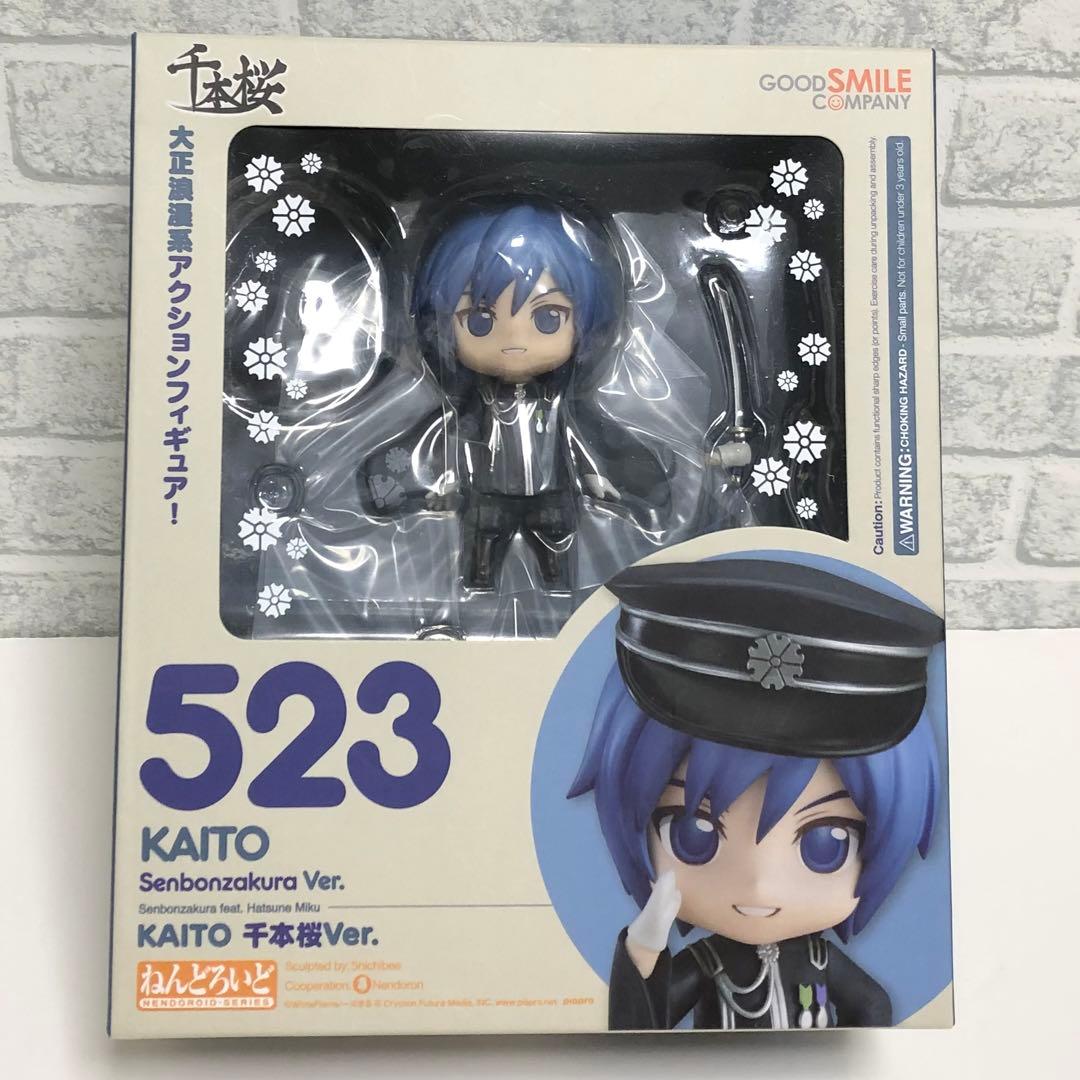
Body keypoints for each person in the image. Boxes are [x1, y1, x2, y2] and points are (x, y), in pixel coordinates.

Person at [569, 558, 945, 1029]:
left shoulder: (821, 960)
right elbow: (644, 1029)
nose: (759, 886)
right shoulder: (708, 963)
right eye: (694, 836)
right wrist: (642, 948)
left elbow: (872, 1007)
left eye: (825, 845)